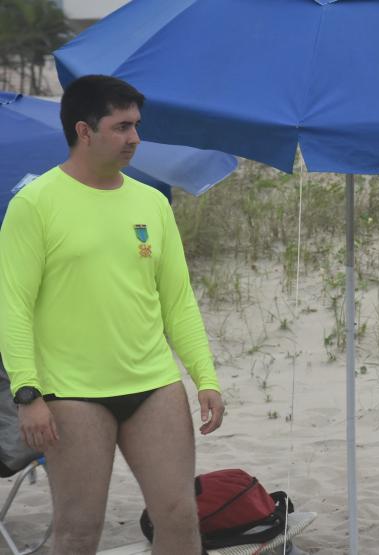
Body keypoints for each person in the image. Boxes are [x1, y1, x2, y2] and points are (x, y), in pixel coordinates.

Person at [0, 75, 224, 555]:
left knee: (180, 518)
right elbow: (12, 305)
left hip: (154, 386)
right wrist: (26, 392)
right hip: (72, 393)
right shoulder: (34, 204)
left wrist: (205, 377)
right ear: (84, 131)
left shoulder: (151, 203)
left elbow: (177, 300)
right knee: (79, 531)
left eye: (137, 125)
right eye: (122, 127)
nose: (135, 139)